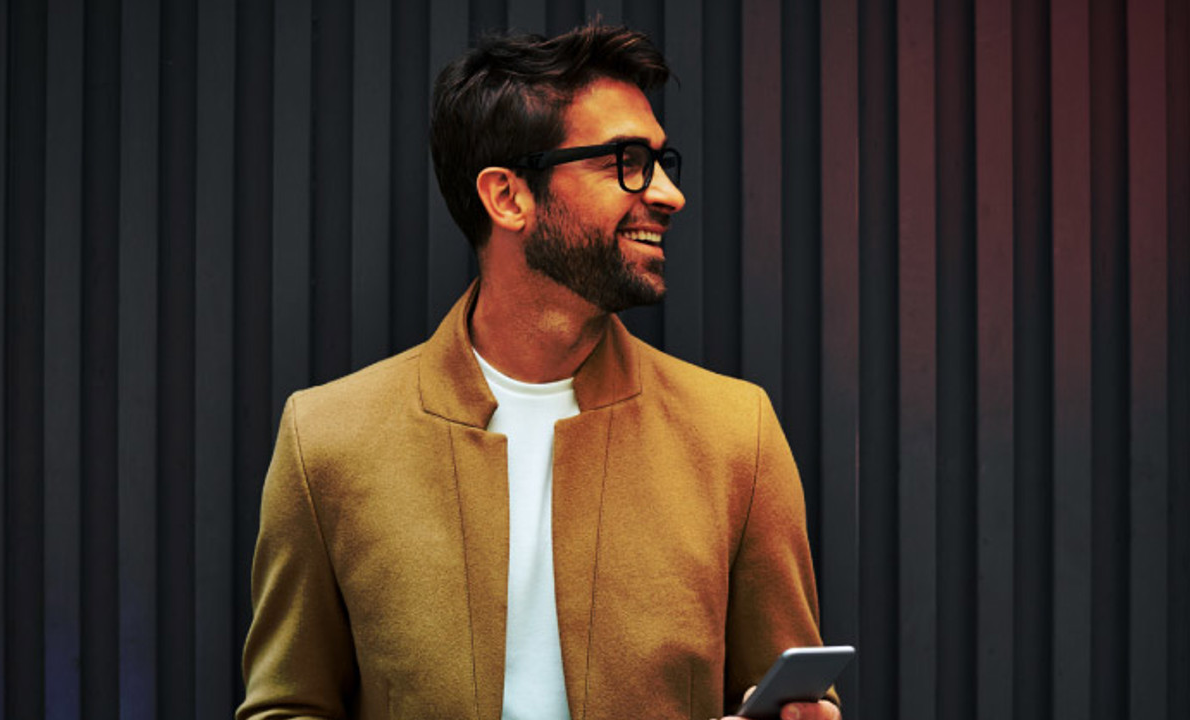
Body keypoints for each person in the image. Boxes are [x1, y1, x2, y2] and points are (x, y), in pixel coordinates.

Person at [238, 21, 839, 720]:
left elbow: (791, 693)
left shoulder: (737, 434)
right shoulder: (327, 439)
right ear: (508, 196)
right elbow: (288, 705)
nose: (669, 193)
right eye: (626, 160)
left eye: (662, 160)